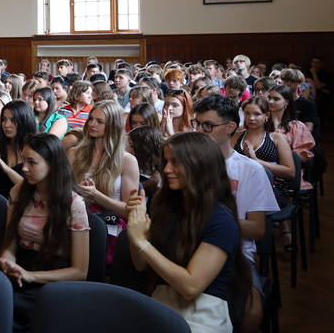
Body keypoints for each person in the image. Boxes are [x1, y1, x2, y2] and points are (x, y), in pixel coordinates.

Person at [126, 132, 250, 333]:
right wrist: (135, 223)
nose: (166, 169)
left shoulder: (221, 220)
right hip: (162, 307)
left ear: (199, 165)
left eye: (175, 162)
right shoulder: (168, 209)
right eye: (166, 161)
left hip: (201, 317)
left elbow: (191, 287)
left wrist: (142, 241)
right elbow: (141, 264)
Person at [194, 95, 278, 333]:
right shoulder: (185, 163)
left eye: (208, 126)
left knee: (252, 312)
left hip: (237, 255)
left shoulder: (249, 170)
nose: (199, 131)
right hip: (189, 246)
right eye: (197, 123)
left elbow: (257, 229)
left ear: (230, 127)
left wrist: (212, 224)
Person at [0, 134, 90, 333]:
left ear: (52, 165)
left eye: (32, 162)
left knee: (11, 311)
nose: (24, 168)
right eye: (24, 161)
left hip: (54, 275)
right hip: (22, 264)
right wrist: (8, 263)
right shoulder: (19, 192)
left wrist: (30, 276)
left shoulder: (73, 204)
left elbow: (80, 272)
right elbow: (9, 242)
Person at [69, 100, 139, 263]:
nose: (92, 124)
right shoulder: (74, 154)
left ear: (113, 126)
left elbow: (129, 211)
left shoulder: (127, 160)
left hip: (109, 226)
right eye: (91, 119)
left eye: (99, 121)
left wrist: (96, 195)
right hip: (75, 220)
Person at [233, 97, 295, 209]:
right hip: (241, 186)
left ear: (266, 115)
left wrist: (256, 160)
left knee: (248, 200)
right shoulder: (237, 136)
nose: (251, 118)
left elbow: (290, 172)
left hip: (271, 187)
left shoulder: (276, 138)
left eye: (257, 114)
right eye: (247, 113)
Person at [0, 100, 35, 199]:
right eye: (4, 119)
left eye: (13, 120)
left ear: (24, 121)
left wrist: (7, 170)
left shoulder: (35, 149)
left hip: (20, 203)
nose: (6, 125)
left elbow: (31, 190)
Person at [127, 125, 163, 197]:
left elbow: (155, 181)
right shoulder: (156, 163)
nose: (128, 150)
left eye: (131, 144)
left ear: (143, 144)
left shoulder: (165, 160)